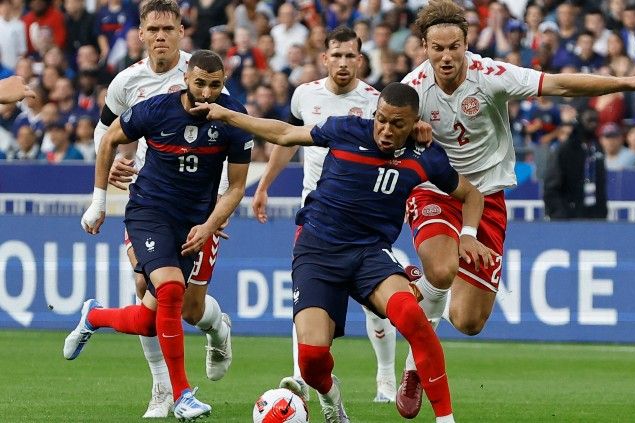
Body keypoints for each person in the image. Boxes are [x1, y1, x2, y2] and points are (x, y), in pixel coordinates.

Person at [397, 0, 635, 417]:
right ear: (423, 47)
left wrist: (625, 84)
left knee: (469, 322)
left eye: (453, 46)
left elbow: (561, 84)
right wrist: (412, 141)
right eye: (437, 48)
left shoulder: (491, 76)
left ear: (466, 43)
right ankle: (415, 366)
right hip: (436, 191)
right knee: (441, 269)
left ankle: (423, 290)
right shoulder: (413, 89)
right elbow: (383, 135)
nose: (446, 56)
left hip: (487, 195)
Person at [194, 82, 496, 423]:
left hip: (370, 254)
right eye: (381, 119)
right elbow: (285, 134)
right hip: (318, 252)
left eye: (398, 124)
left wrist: (468, 234)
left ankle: (445, 418)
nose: (385, 129)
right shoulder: (347, 129)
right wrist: (228, 115)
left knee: (413, 319)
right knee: (310, 362)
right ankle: (330, 396)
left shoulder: (425, 157)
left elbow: (472, 195)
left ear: (415, 124)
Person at [67, 49, 253, 421]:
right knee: (168, 289)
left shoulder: (235, 120)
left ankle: (96, 317)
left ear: (223, 85)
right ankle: (180, 393)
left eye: (214, 86)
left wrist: (210, 224)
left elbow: (236, 187)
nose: (205, 92)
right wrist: (99, 201)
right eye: (199, 83)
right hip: (149, 212)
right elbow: (108, 139)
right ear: (187, 79)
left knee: (161, 315)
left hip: (194, 222)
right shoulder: (155, 108)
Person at [91, 0, 234, 417]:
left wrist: (217, 214)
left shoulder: (203, 75)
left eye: (168, 29)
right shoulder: (126, 82)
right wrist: (113, 159)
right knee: (148, 289)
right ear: (140, 34)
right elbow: (106, 132)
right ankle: (163, 388)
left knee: (189, 308)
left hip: (199, 206)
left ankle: (217, 328)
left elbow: (227, 136)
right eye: (152, 29)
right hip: (150, 201)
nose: (160, 36)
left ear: (181, 33)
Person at [251, 25, 400, 404]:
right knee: (306, 297)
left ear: (361, 60)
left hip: (362, 217)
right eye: (337, 55)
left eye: (351, 55)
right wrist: (265, 184)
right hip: (315, 216)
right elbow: (289, 141)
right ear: (325, 58)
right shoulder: (305, 95)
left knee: (378, 304)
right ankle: (301, 376)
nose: (344, 62)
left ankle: (385, 375)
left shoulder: (374, 101)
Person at [543, 109, 608, 220]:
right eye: (589, 120)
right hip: (568, 216)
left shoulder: (597, 147)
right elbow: (551, 186)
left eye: (596, 120)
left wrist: (602, 212)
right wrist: (560, 213)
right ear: (580, 122)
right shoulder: (565, 149)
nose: (593, 124)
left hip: (595, 215)